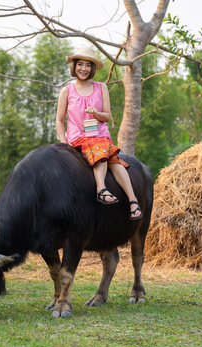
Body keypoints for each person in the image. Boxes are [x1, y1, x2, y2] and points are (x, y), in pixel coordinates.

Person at [55, 47, 142, 220]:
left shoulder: (101, 87)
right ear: (74, 66)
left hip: (100, 135)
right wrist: (64, 144)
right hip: (78, 138)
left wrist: (97, 114)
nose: (84, 68)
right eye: (80, 64)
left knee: (115, 160)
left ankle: (133, 201)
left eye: (88, 65)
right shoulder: (67, 91)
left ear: (93, 68)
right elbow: (59, 120)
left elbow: (107, 117)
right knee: (101, 148)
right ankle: (101, 188)